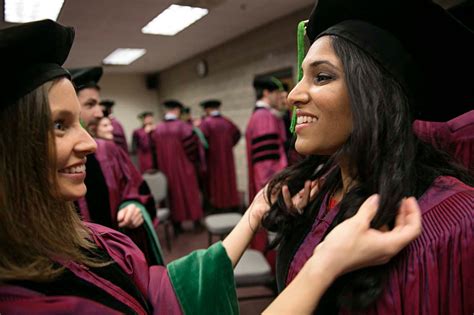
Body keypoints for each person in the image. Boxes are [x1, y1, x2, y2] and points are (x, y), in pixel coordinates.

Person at [0, 19, 423, 315]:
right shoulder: (21, 299)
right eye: (60, 125)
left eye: (322, 77)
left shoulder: (85, 240)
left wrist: (256, 210)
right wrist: (324, 263)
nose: (92, 142)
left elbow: (165, 290)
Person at [262, 0, 474, 314]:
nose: (293, 94)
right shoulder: (317, 193)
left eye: (321, 77)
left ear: (376, 95)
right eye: (302, 76)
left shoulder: (457, 217)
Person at [69, 66, 160, 265]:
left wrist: (133, 207)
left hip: (118, 262)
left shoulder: (108, 151)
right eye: (91, 104)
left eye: (99, 104)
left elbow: (136, 190)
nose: (100, 112)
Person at [246, 76, 289, 259]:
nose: (279, 97)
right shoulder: (265, 118)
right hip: (268, 184)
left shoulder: (257, 116)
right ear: (266, 93)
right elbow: (267, 163)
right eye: (276, 93)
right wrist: (272, 189)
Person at [152, 100, 204, 233]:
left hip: (166, 169)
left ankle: (177, 226)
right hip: (185, 168)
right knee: (191, 193)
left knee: (173, 196)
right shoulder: (184, 127)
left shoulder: (157, 129)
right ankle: (196, 223)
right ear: (177, 110)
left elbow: (154, 152)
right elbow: (193, 149)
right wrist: (194, 162)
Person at [199, 99, 241, 212]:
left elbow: (201, 142)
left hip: (214, 159)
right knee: (229, 179)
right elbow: (237, 133)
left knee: (217, 182)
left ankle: (219, 207)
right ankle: (232, 204)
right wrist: (229, 146)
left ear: (207, 109)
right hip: (228, 158)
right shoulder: (227, 122)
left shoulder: (205, 123)